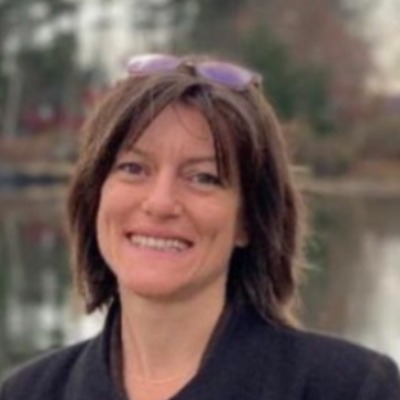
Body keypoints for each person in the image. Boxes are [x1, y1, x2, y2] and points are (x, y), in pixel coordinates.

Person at [1, 53, 399, 400]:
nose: (160, 203)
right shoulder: (28, 393)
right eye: (134, 168)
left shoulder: (350, 388)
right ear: (95, 197)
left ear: (249, 220)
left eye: (203, 177)